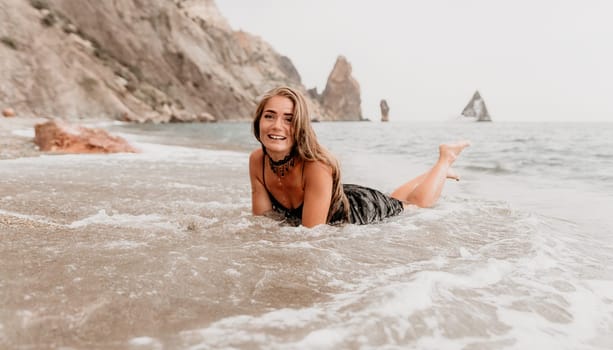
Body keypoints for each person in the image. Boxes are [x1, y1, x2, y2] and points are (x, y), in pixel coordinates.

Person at [249, 86, 470, 228]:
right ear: (258, 120)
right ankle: (432, 173)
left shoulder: (316, 166)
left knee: (414, 206)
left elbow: (311, 237)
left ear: (300, 126)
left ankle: (445, 159)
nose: (277, 126)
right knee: (396, 199)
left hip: (359, 209)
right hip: (340, 194)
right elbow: (263, 222)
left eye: (289, 119)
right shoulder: (258, 161)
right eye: (269, 116)